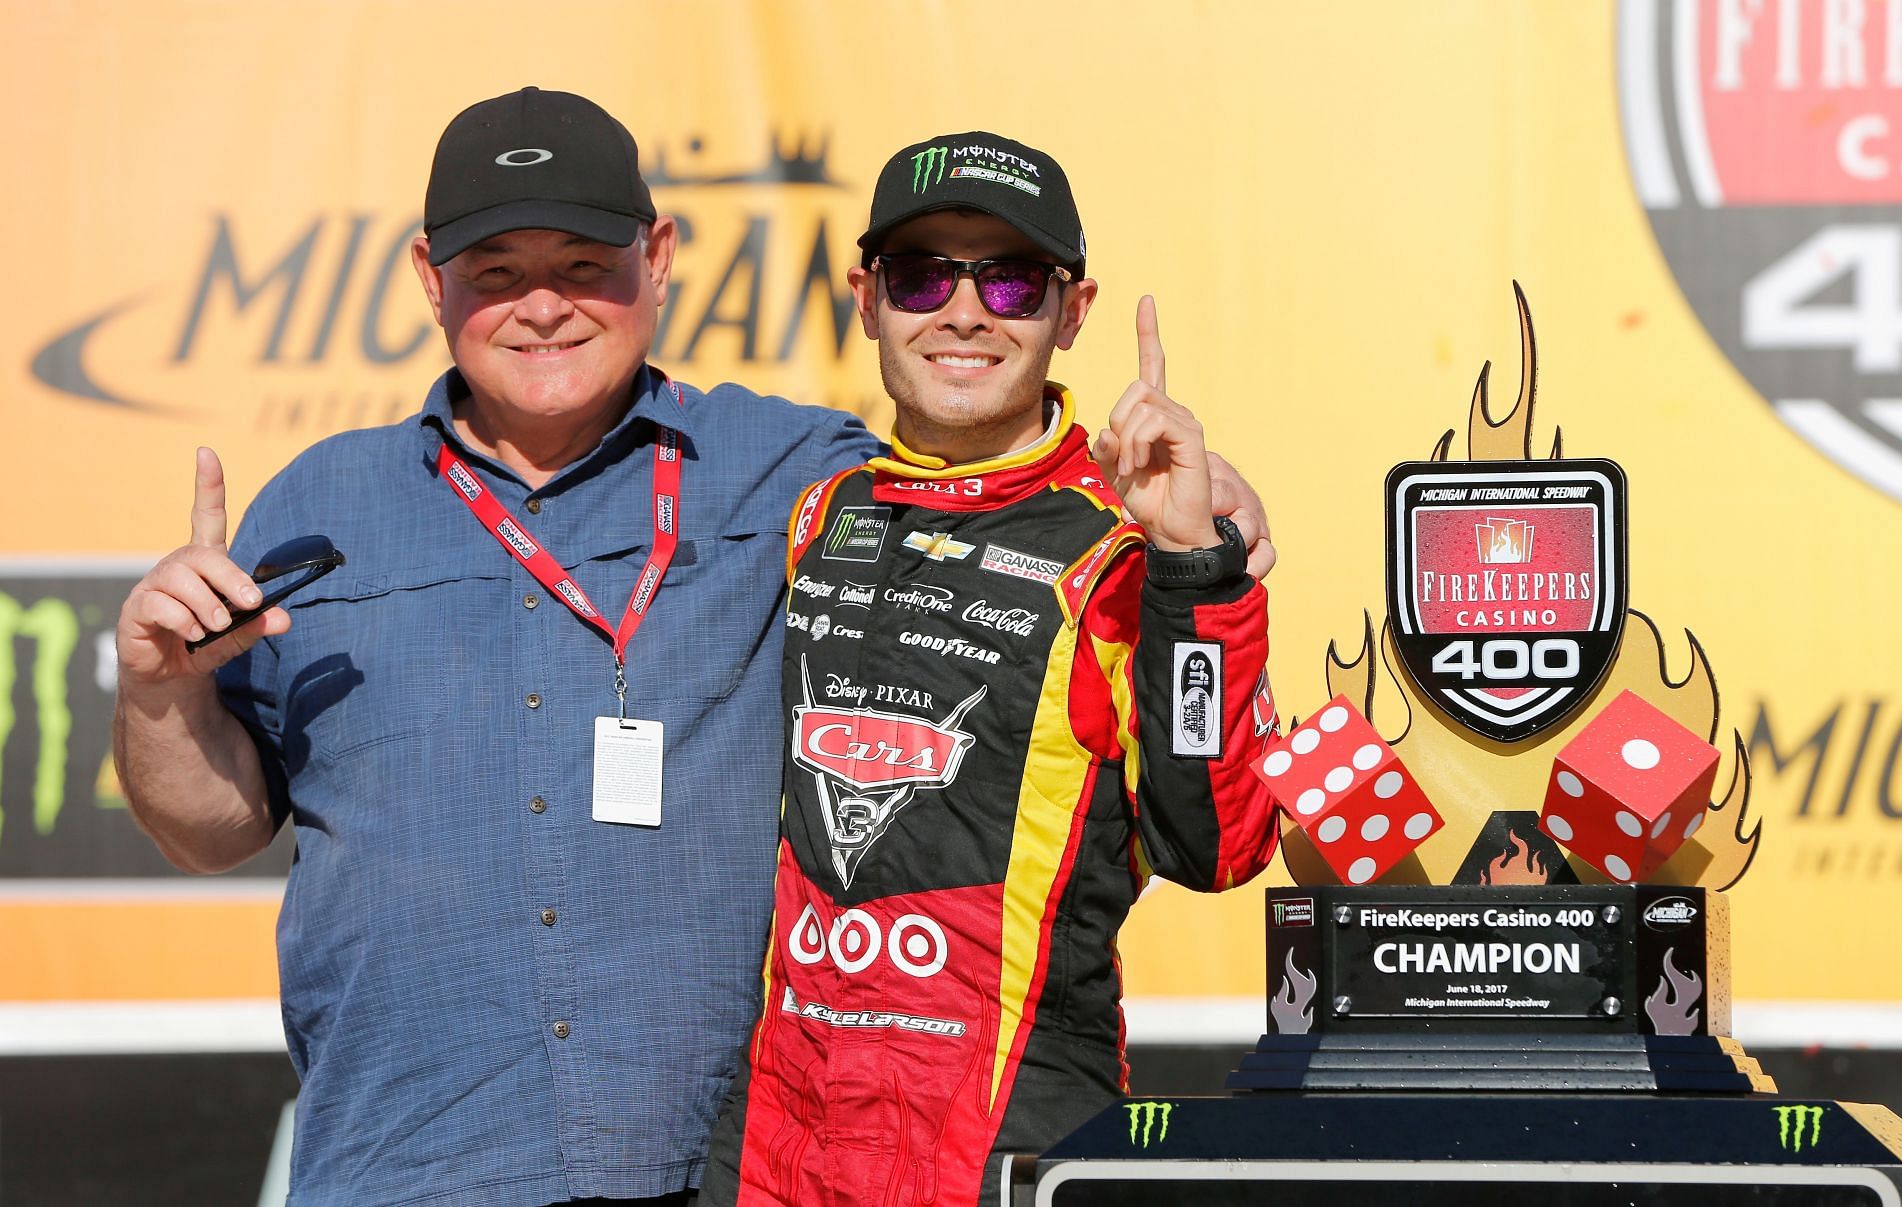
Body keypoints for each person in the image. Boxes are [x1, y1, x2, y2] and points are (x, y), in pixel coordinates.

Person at [114, 94, 1273, 1205]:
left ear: (657, 257)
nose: (544, 306)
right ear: (429, 277)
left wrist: (1202, 535)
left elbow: (994, 472)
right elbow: (213, 829)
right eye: (497, 272)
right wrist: (161, 695)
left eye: (582, 266)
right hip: (403, 1162)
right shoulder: (318, 507)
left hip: (708, 1164)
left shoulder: (799, 472)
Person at [699, 132, 1280, 1207]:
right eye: (925, 275)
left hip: (1003, 1137)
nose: (965, 313)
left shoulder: (1134, 540)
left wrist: (1200, 572)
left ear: (1073, 309)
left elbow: (1223, 843)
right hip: (782, 1142)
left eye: (1009, 279)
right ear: (868, 299)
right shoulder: (816, 513)